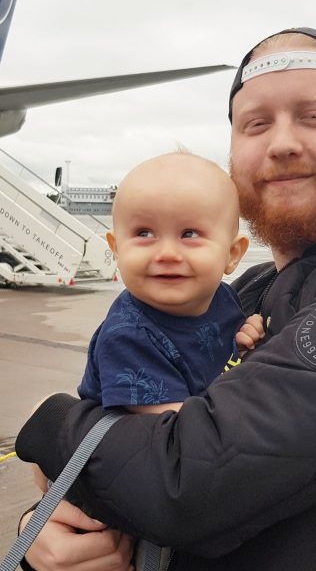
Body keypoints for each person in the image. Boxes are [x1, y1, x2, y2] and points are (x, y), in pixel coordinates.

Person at [16, 27, 316, 570]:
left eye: (315, 116)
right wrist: (46, 529)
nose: (281, 143)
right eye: (256, 124)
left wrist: (49, 422)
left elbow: (183, 482)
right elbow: (125, 460)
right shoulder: (241, 294)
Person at [30, 151, 262, 495]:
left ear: (231, 254)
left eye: (189, 233)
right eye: (144, 233)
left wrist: (240, 346)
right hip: (121, 480)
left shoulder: (224, 299)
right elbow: (184, 438)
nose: (166, 253)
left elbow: (217, 366)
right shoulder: (128, 337)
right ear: (116, 248)